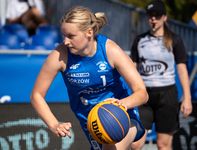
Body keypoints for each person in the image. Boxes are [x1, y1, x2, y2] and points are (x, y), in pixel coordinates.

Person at [30, 6, 148, 150]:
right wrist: (54, 124)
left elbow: (142, 93)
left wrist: (121, 104)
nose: (65, 41)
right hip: (92, 123)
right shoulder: (60, 55)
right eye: (64, 35)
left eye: (71, 36)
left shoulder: (111, 51)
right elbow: (36, 95)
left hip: (120, 113)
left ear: (89, 32)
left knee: (114, 147)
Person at [130, 0, 193, 150]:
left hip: (167, 95)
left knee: (163, 145)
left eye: (157, 15)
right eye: (150, 15)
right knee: (135, 144)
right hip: (144, 95)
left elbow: (182, 69)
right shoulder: (139, 40)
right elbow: (132, 70)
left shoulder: (175, 40)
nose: (153, 19)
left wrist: (187, 98)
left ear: (164, 17)